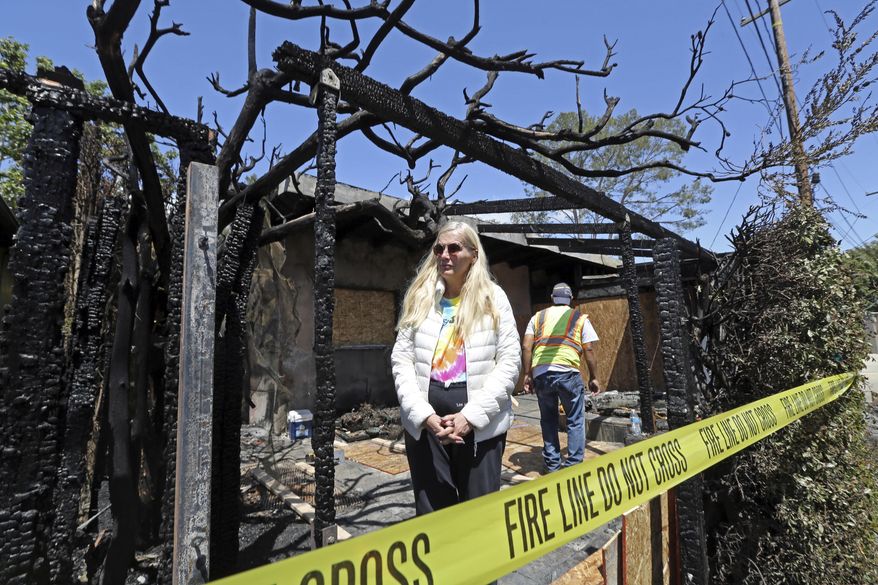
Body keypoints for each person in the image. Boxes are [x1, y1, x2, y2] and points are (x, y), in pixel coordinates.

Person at [391, 221, 521, 515]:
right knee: (433, 512)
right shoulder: (420, 297)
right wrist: (423, 415)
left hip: (479, 422)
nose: (444, 255)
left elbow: (510, 361)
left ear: (473, 254)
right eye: (439, 248)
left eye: (454, 248)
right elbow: (401, 360)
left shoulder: (493, 298)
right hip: (427, 423)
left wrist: (470, 417)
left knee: (478, 512)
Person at [522, 282, 601, 472]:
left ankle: (553, 466)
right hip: (568, 373)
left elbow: (526, 347)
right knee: (574, 419)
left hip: (542, 374)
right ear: (571, 299)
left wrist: (527, 374)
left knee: (548, 420)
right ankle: (573, 466)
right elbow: (588, 348)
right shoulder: (579, 318)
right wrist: (594, 377)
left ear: (552, 298)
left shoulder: (537, 317)